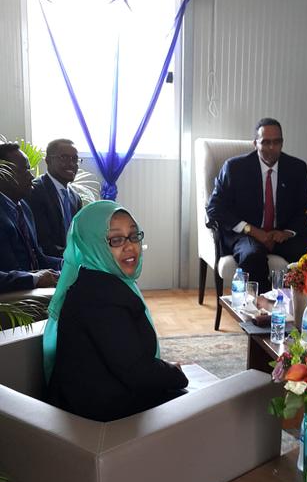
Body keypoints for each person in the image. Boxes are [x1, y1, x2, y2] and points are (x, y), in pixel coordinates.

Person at [44, 201, 188, 421]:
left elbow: (125, 357)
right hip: (102, 420)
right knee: (199, 404)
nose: (130, 246)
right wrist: (177, 375)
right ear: (93, 244)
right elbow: (137, 372)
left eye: (133, 236)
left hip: (95, 400)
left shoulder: (91, 280)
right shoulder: (102, 297)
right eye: (116, 240)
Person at [206, 118, 307, 291]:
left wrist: (286, 232)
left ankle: (291, 304)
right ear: (255, 143)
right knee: (252, 256)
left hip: (280, 234)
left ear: (282, 143)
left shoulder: (297, 168)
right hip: (246, 234)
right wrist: (251, 230)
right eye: (266, 142)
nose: (272, 147)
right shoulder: (234, 168)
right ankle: (263, 311)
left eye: (277, 142)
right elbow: (214, 208)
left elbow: (306, 210)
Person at [0, 141, 62, 291]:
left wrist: (68, 264)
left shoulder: (24, 208)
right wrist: (35, 279)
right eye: (24, 170)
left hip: (32, 290)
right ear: (3, 174)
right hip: (11, 299)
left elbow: (38, 258)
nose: (31, 176)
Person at [30, 138, 83, 256]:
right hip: (48, 265)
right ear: (48, 160)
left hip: (72, 262)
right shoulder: (36, 191)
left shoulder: (75, 197)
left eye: (75, 159)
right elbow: (42, 242)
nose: (71, 164)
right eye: (64, 158)